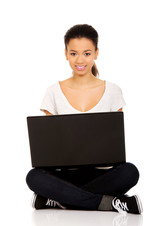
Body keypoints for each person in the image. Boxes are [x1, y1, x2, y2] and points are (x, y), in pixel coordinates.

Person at [26, 24, 143, 214]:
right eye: (73, 54)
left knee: (130, 172)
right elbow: (49, 148)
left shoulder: (113, 91)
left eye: (87, 53)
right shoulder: (53, 92)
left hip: (102, 173)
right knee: (34, 176)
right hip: (64, 177)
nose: (80, 60)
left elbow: (114, 140)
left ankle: (58, 200)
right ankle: (109, 203)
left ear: (96, 53)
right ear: (65, 54)